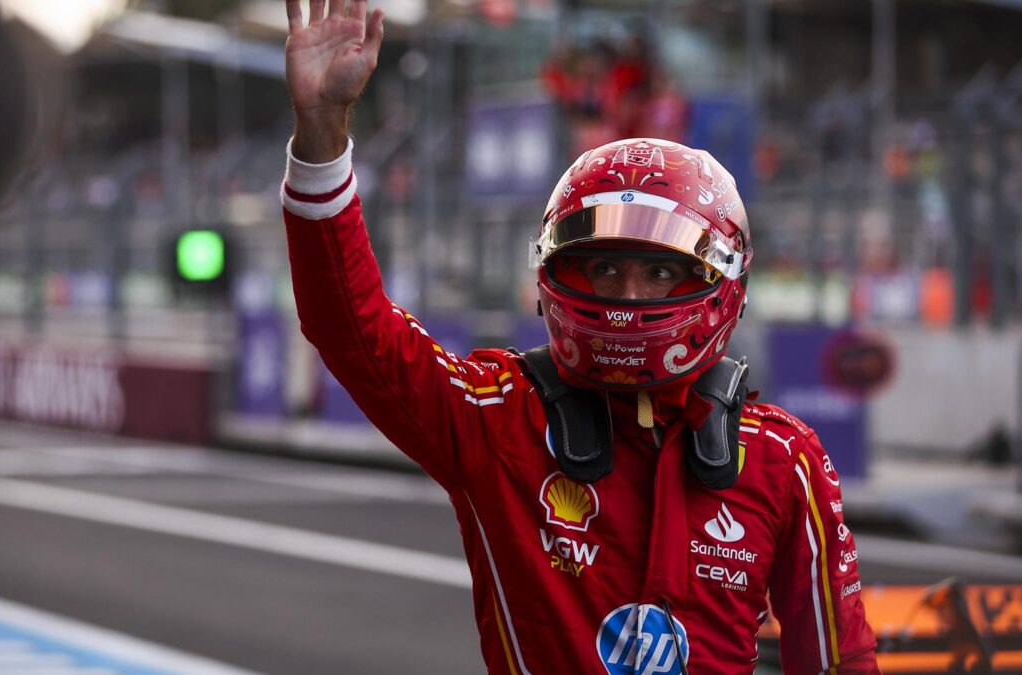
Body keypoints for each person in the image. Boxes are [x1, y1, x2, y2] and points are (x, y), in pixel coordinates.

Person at [280, 1, 880, 672]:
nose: (627, 295)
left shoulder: (782, 459)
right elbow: (348, 324)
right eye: (602, 267)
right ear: (554, 272)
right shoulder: (496, 418)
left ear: (725, 283)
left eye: (659, 271)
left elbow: (840, 664)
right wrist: (323, 133)